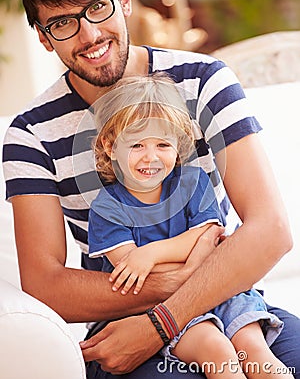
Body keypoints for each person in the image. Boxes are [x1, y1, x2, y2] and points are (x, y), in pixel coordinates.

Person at [1, 0, 299, 378]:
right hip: (122, 328)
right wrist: (182, 283)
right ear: (44, 38)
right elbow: (45, 284)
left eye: (97, 7)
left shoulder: (204, 81)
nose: (90, 35)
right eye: (63, 23)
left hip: (234, 309)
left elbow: (271, 230)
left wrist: (164, 319)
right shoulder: (30, 134)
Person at [87, 72, 291, 379]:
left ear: (177, 145)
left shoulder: (193, 183)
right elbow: (132, 271)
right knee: (216, 349)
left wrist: (151, 253)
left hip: (221, 294)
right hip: (158, 308)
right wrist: (194, 256)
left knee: (254, 349)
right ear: (111, 146)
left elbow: (206, 234)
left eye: (162, 144)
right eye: (137, 145)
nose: (151, 157)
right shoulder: (107, 208)